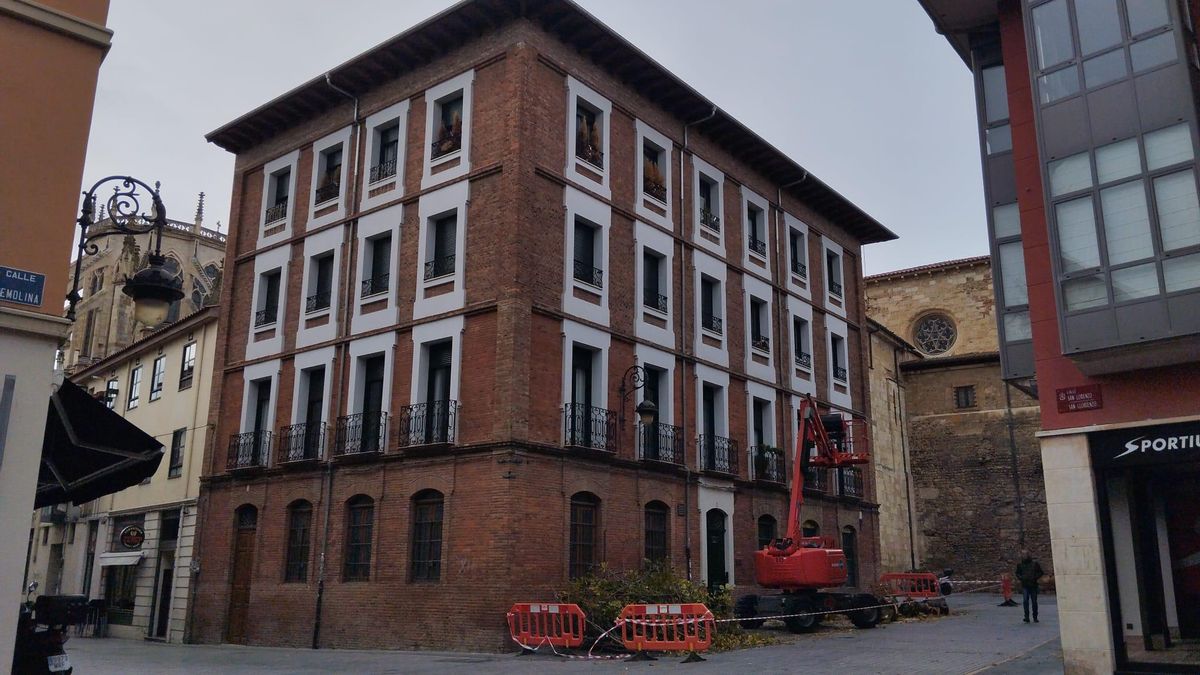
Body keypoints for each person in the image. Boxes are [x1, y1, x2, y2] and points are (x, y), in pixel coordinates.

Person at [1015, 549, 1045, 623]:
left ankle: (1035, 617)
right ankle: (1026, 617)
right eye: (1022, 554)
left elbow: (1041, 572)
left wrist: (1035, 577)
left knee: (1034, 602)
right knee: (1025, 601)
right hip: (1025, 585)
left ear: (1028, 555)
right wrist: (1021, 578)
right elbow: (1017, 573)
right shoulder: (1020, 565)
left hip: (1033, 585)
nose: (1024, 556)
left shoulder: (1034, 564)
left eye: (1025, 554)